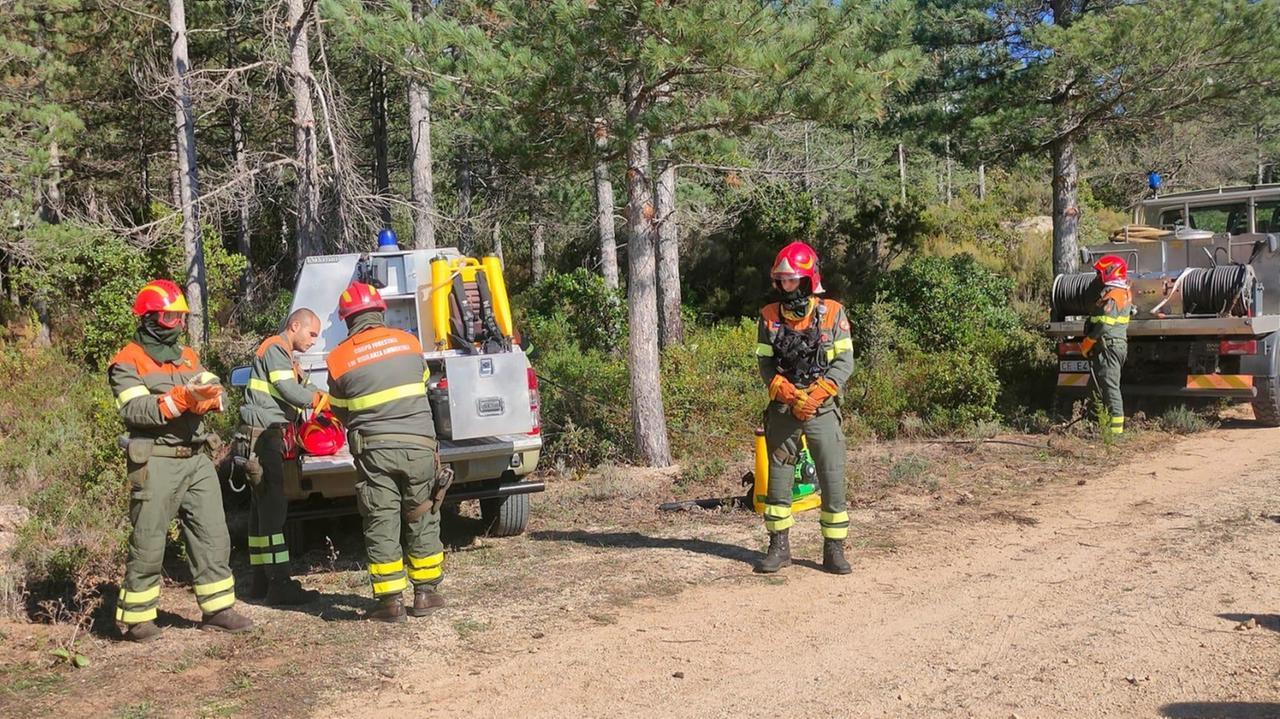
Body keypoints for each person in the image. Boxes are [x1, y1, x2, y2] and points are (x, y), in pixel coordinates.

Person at [108, 279, 252, 641]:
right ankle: (138, 618)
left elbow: (213, 386)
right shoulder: (127, 360)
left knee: (212, 534)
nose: (178, 325)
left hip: (197, 459)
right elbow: (136, 409)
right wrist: (181, 400)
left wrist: (210, 396)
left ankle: (218, 609)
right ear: (149, 317)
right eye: (171, 317)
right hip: (156, 461)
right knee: (148, 538)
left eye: (181, 318)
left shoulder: (187, 355)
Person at [325, 281, 445, 622]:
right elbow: (422, 384)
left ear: (347, 320)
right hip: (420, 447)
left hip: (374, 452)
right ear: (381, 311)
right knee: (423, 512)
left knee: (381, 521)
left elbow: (339, 409)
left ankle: (390, 603)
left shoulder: (337, 359)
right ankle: (426, 594)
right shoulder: (409, 343)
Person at [753, 242, 855, 575]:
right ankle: (778, 547)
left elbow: (844, 362)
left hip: (821, 407)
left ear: (808, 280)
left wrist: (818, 394)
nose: (785, 286)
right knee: (779, 477)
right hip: (784, 409)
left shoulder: (833, 312)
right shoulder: (768, 317)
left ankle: (834, 550)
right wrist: (783, 390)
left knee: (831, 474)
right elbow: (765, 363)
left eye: (792, 280)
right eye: (781, 280)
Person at [237, 308, 328, 605]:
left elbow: (302, 384)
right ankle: (279, 584)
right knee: (273, 507)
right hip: (262, 436)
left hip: (263, 434)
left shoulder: (286, 356)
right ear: (295, 325)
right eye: (312, 334)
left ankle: (261, 581)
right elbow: (289, 390)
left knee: (260, 511)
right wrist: (320, 402)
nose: (314, 341)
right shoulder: (275, 348)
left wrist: (323, 395)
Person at [1082, 255, 1131, 436]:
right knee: (1096, 386)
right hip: (1106, 346)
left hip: (1108, 346)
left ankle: (1115, 433)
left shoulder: (1114, 295)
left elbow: (1104, 324)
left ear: (1111, 272)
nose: (1097, 277)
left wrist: (1089, 341)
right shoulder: (1116, 292)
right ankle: (1098, 425)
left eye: (1099, 273)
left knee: (1110, 388)